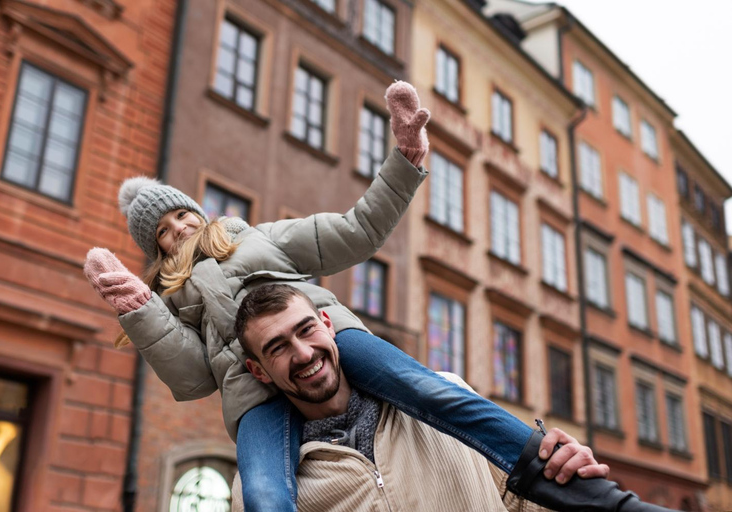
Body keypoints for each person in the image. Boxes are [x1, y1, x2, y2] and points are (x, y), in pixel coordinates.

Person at [83, 81, 670, 512]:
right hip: (252, 397)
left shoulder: (256, 239)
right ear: (156, 252)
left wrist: (405, 161)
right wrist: (140, 310)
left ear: (199, 211)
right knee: (261, 493)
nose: (179, 230)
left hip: (340, 337)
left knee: (435, 393)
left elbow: (355, 231)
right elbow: (190, 378)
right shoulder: (173, 297)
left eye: (183, 215)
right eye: (163, 233)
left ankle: (577, 486)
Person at [231, 284, 678, 512]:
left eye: (306, 330)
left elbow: (521, 504)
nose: (303, 353)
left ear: (328, 325)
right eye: (277, 348)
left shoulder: (448, 398)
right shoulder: (266, 481)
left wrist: (561, 472)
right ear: (258, 371)